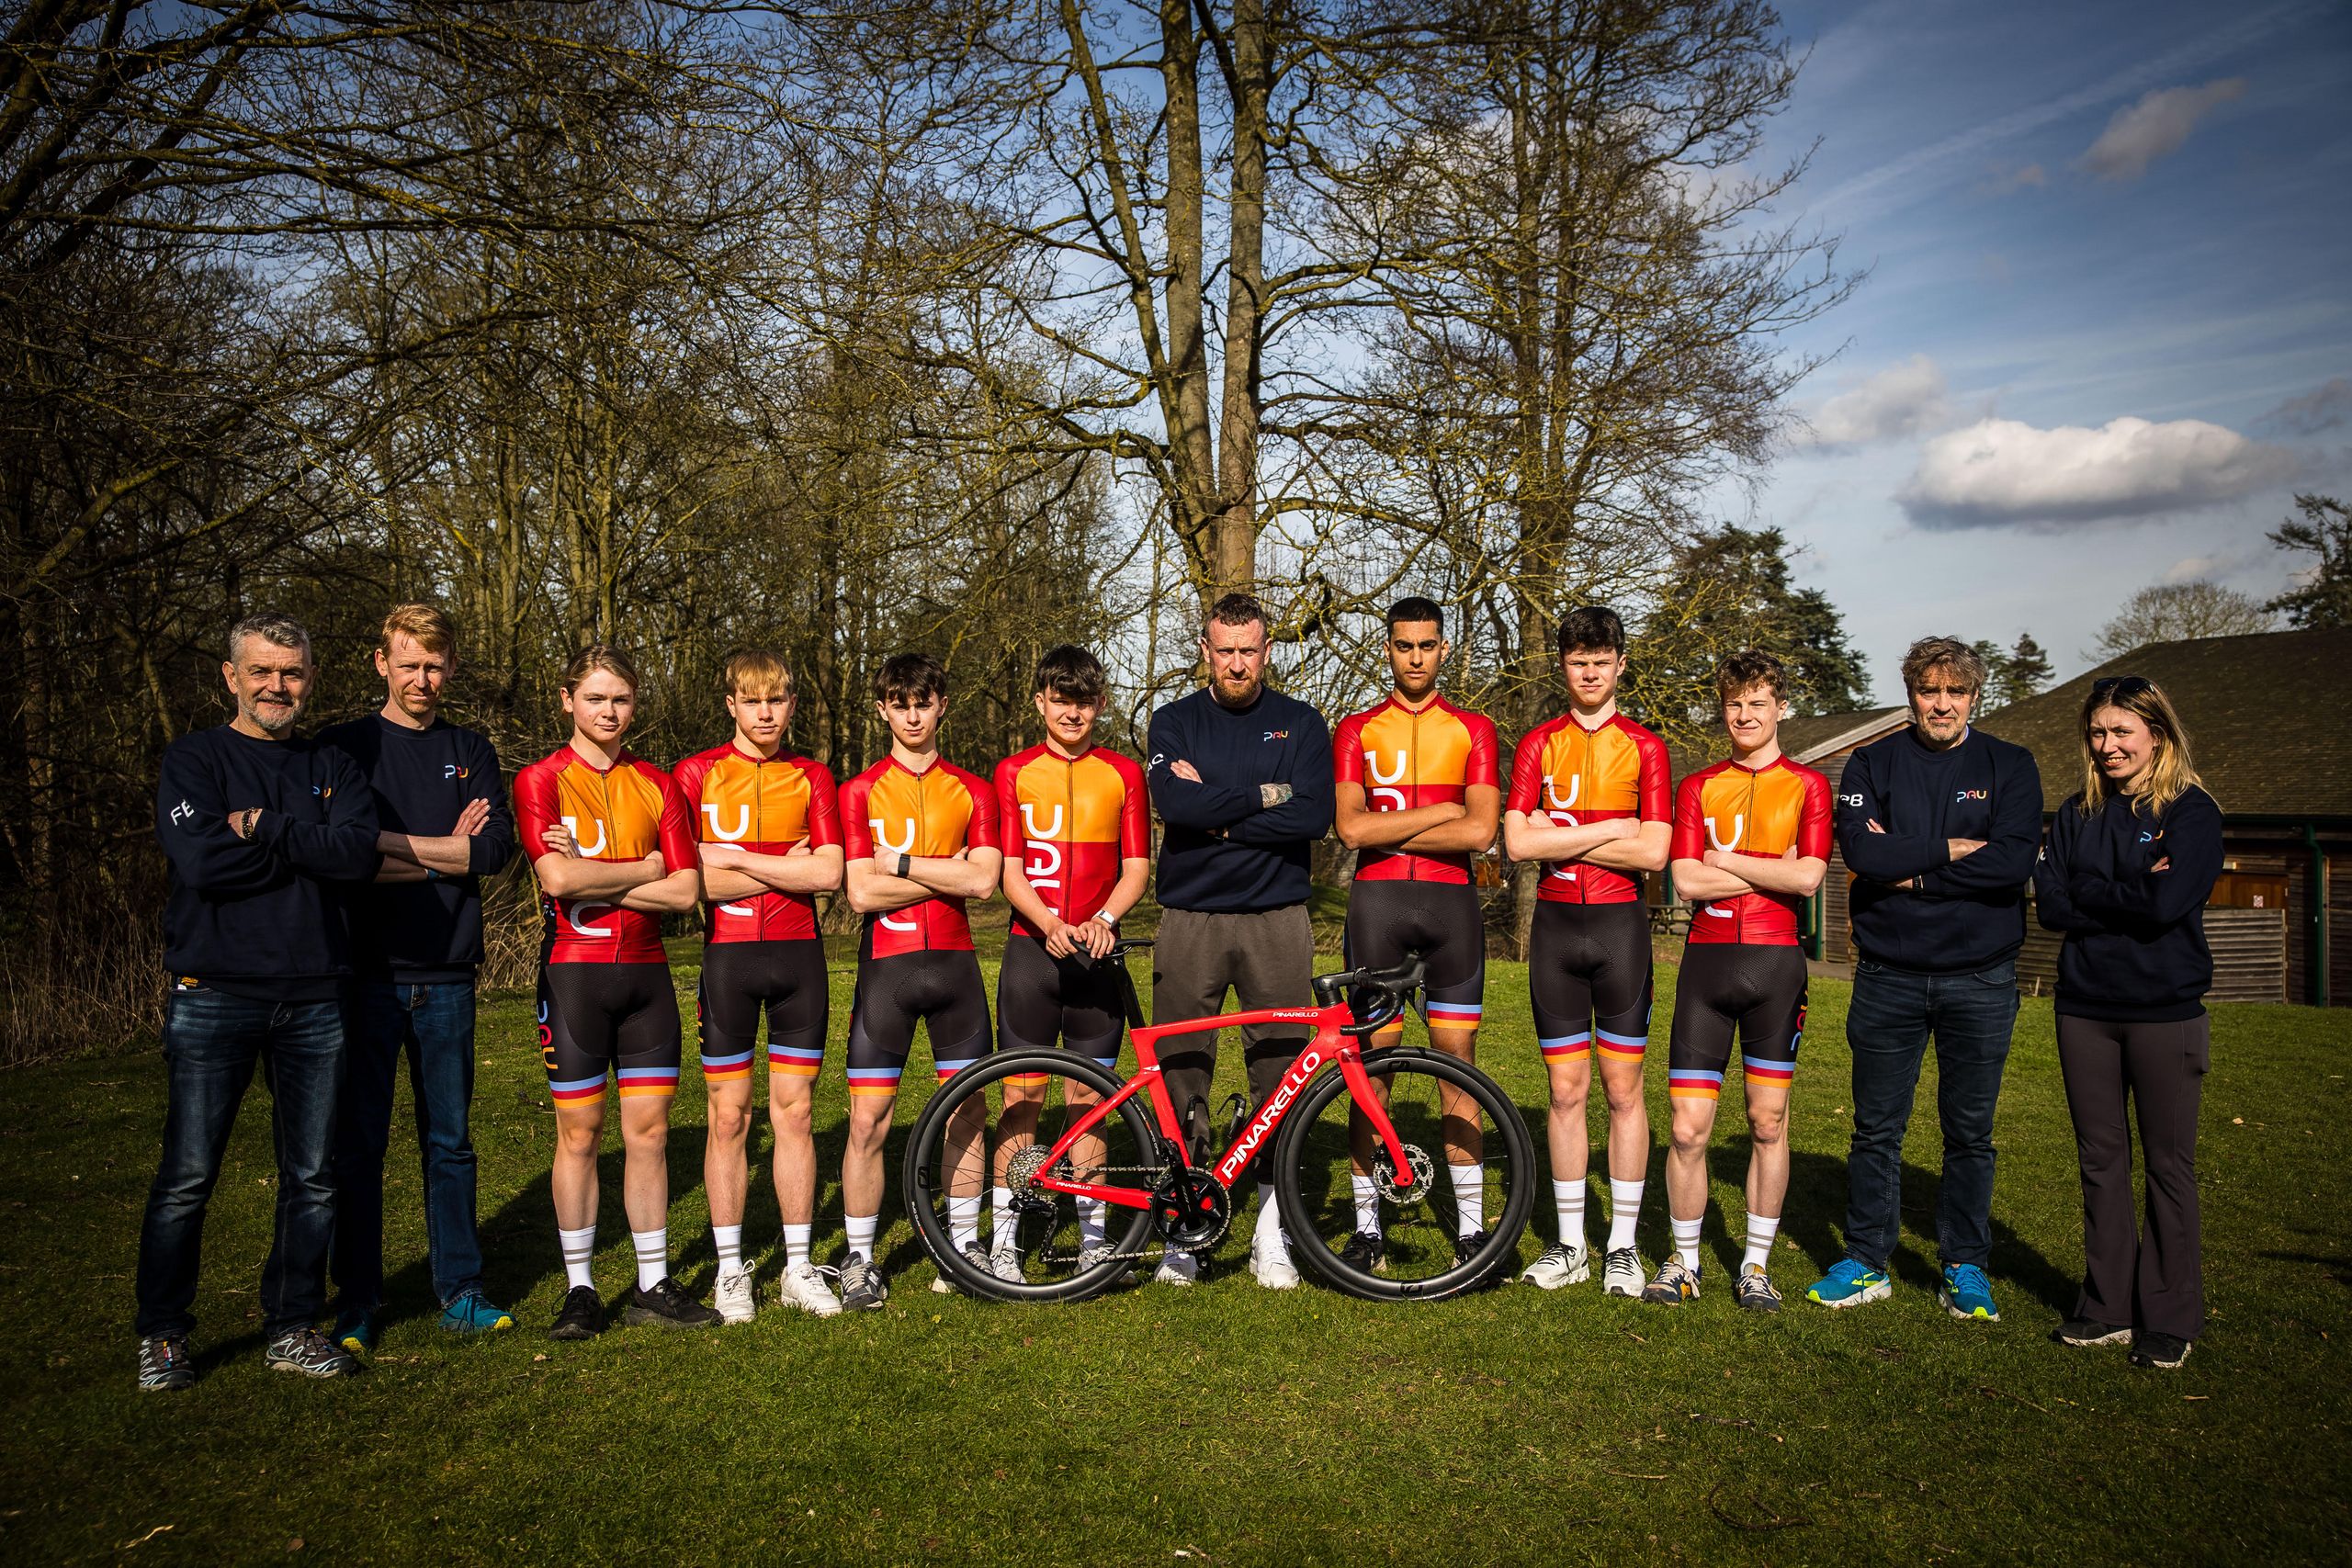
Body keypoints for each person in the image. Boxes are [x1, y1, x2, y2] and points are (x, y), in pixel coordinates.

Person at [137, 612, 380, 1390]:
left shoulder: (333, 761)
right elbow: (205, 864)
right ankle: (164, 1334)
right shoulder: (195, 758)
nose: (279, 686)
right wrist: (304, 847)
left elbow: (356, 857)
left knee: (310, 1175)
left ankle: (291, 1325)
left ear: (310, 679)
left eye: (294, 672)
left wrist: (267, 827)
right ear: (231, 675)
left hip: (314, 997)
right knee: (187, 1176)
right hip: (215, 992)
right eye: (264, 671)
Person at [1805, 636, 2042, 1321]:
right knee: (1877, 1127)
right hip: (1889, 976)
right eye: (1929, 690)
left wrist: (1909, 871)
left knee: (1969, 1130)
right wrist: (1946, 850)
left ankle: (1965, 1263)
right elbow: (1862, 851)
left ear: (1975, 696)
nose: (1941, 703)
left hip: (1981, 976)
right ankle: (1866, 1259)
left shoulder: (2011, 765)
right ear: (1911, 693)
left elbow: (2011, 864)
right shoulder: (1872, 762)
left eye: (1955, 691)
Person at [320, 604, 519, 1357]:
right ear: (382, 662)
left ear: (453, 668)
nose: (422, 679)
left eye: (435, 665)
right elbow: (346, 852)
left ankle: (460, 1289)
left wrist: (392, 851)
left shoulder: (471, 747)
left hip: (448, 977)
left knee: (451, 1141)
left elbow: (494, 851)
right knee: (359, 1144)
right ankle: (359, 1298)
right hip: (364, 975)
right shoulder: (345, 745)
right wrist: (441, 848)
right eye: (409, 664)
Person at [513, 646, 716, 1338]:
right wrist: (644, 867)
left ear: (635, 705)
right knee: (580, 1133)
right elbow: (558, 883)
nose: (608, 711)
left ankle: (654, 1281)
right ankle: (580, 1289)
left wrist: (594, 868)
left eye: (621, 699)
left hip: (645, 976)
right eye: (595, 697)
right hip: (573, 974)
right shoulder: (540, 779)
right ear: (567, 699)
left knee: (650, 1133)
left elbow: (686, 891)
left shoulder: (658, 783)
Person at [1146, 592, 1335, 1289]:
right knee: (1181, 1071)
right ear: (1204, 649)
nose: (1236, 663)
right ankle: (1185, 1230)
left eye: (1248, 650)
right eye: (1223, 650)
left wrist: (1220, 812)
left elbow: (1314, 814)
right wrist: (1264, 795)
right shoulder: (1173, 720)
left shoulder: (1300, 722)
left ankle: (1269, 1231)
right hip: (1191, 917)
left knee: (1281, 1074)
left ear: (1267, 650)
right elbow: (1177, 805)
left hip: (1277, 917)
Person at [2035, 675, 2222, 1371]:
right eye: (2098, 732)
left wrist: (2096, 888)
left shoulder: (2192, 811)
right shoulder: (2077, 811)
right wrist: (2131, 886)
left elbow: (2168, 901)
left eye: (2122, 732)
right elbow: (2051, 904)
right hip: (2083, 1008)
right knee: (2100, 1161)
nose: (2108, 746)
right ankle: (2107, 1305)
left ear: (2157, 734)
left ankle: (2170, 1317)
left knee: (2169, 1166)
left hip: (2164, 1013)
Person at [1647, 649, 1830, 1314]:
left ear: (1781, 707)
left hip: (1775, 967)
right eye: (1734, 703)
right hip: (1707, 965)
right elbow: (1687, 879)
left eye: (1758, 702)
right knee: (1690, 1127)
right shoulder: (1697, 787)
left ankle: (1754, 1264)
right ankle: (1685, 1261)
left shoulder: (1808, 786)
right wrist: (1758, 866)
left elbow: (1809, 878)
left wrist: (1720, 860)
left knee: (1766, 1120)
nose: (1745, 714)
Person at [1500, 605, 1671, 1297]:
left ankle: (1623, 1246)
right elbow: (1517, 844)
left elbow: (1655, 851)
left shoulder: (1647, 747)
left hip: (1621, 929)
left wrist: (1561, 831)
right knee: (1565, 1090)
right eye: (1578, 660)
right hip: (1556, 932)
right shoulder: (1539, 743)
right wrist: (1612, 829)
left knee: (1623, 1090)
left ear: (1622, 663)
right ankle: (1571, 1243)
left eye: (1602, 660)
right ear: (1562, 665)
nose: (1591, 671)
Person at [672, 649, 845, 1321]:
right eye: (753, 700)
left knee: (796, 1113)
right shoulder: (695, 773)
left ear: (792, 704)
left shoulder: (813, 775)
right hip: (729, 961)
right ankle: (728, 1270)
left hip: (800, 959)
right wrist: (780, 864)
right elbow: (688, 881)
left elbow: (828, 873)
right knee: (728, 1115)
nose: (766, 712)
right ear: (732, 706)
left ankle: (798, 1267)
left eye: (777, 700)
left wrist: (733, 857)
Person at [1331, 596, 1500, 1274]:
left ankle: (1470, 1228)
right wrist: (1442, 809)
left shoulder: (1474, 728)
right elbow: (1350, 829)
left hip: (1450, 908)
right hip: (1377, 907)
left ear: (1445, 648)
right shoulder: (1356, 728)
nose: (1416, 658)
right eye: (1404, 646)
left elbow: (1482, 831)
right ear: (1387, 648)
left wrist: (1394, 822)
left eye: (1428, 645)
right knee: (1372, 1072)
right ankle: (1366, 1227)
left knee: (1456, 1068)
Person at [836, 653, 1003, 1309]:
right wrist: (945, 869)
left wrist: (900, 862)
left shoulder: (974, 789)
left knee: (969, 1109)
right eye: (900, 704)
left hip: (956, 967)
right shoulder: (859, 790)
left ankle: (963, 1248)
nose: (912, 715)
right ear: (883, 709)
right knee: (867, 1119)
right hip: (888, 971)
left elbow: (984, 881)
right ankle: (858, 1257)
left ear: (942, 706)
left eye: (923, 702)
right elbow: (858, 891)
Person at [994, 645, 1152, 1276]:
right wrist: (1050, 923)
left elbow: (1137, 867)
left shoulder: (1123, 772)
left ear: (1101, 704)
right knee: (1020, 1096)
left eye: (1084, 701)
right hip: (1032, 952)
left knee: (1091, 1097)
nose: (1072, 713)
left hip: (1097, 954)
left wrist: (1103, 921)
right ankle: (1006, 1239)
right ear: (1040, 702)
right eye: (1061, 700)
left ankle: (1091, 1236)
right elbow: (1008, 871)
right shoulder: (1013, 770)